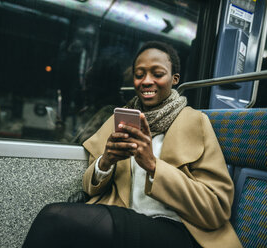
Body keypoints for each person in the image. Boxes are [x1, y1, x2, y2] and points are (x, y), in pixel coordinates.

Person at [23, 41, 242, 248]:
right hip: (127, 215)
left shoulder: (195, 122)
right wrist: (106, 161)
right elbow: (90, 187)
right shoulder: (121, 121)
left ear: (175, 79)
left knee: (54, 218)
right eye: (139, 74)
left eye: (157, 74)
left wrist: (153, 165)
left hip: (177, 228)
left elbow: (216, 208)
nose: (146, 81)